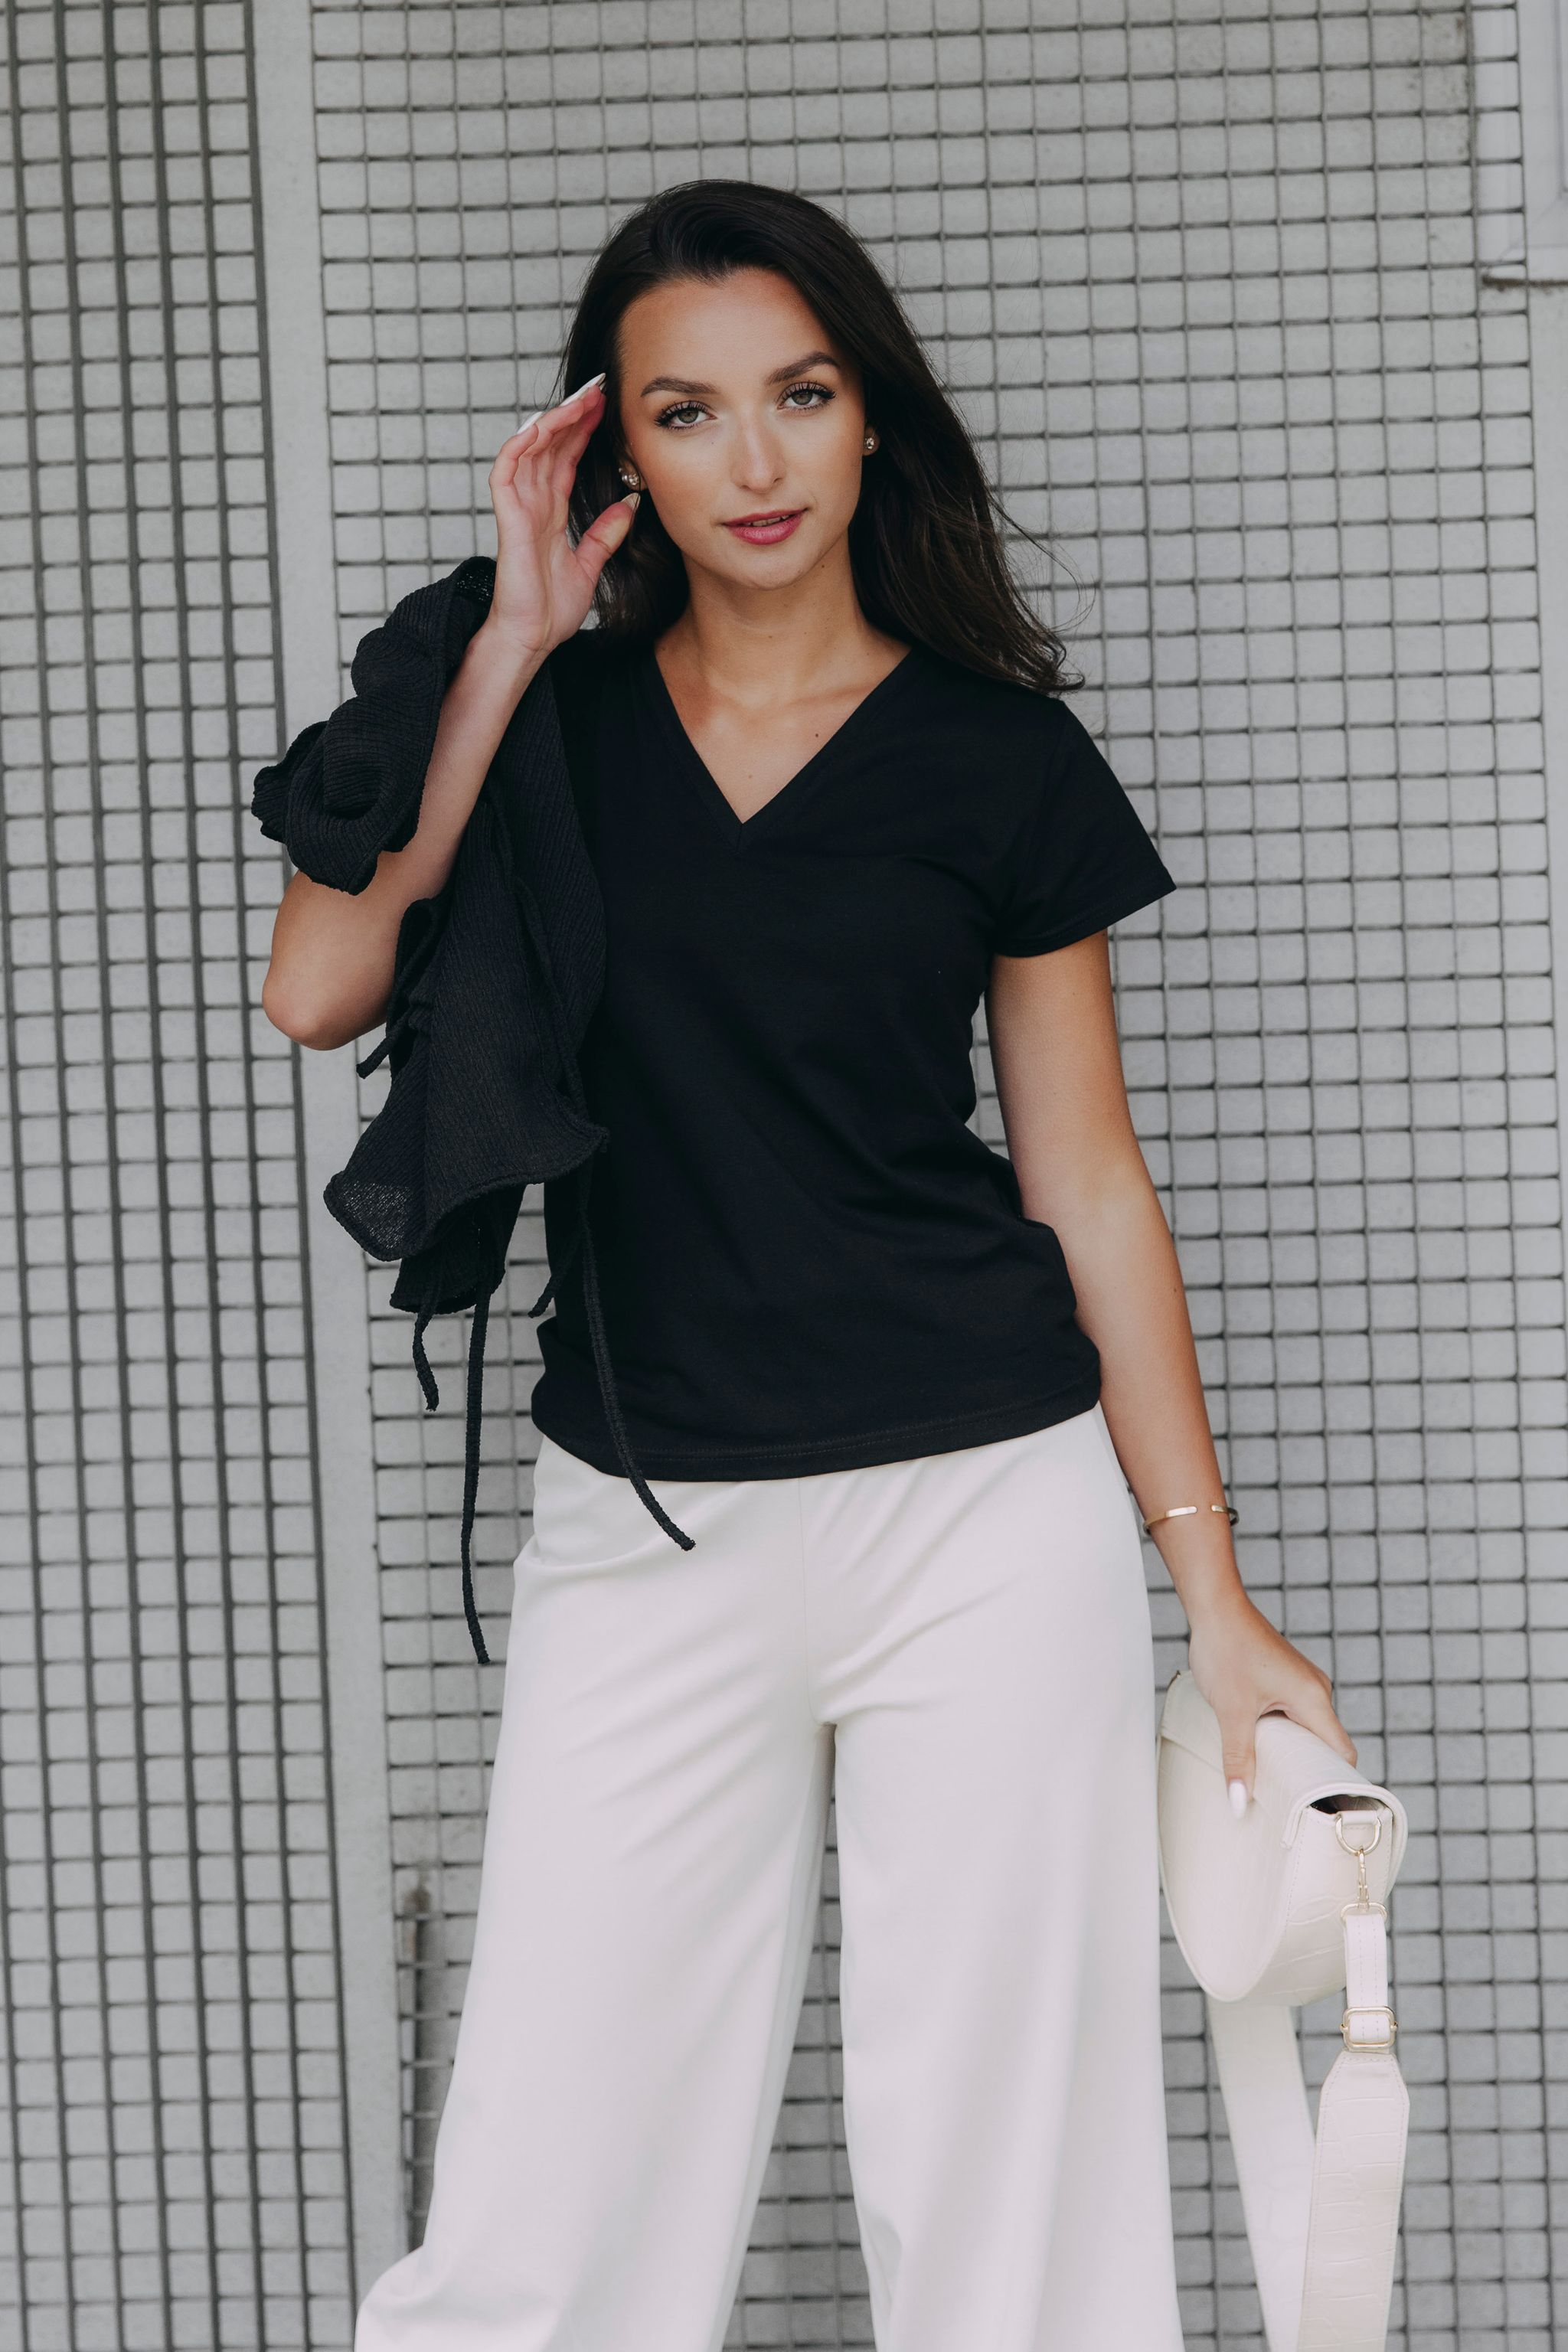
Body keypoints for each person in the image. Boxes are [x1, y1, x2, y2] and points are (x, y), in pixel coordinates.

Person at [263, 179, 1357, 2352]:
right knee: (551, 2188)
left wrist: (1214, 1599)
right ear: (615, 451)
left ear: (872, 419)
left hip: (984, 1509)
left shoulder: (998, 756)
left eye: (801, 394)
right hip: (648, 1510)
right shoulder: (546, 721)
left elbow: (1088, 1179)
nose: (753, 461)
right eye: (687, 413)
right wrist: (505, 643)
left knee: (1011, 2173)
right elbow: (319, 987)